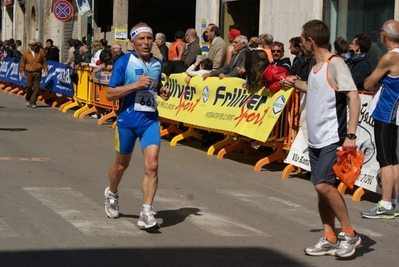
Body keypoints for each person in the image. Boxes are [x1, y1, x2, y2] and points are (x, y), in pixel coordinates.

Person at [284, 19, 361, 258]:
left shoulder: (335, 63)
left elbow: (354, 96)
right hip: (315, 139)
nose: (301, 44)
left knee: (323, 184)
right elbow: (316, 88)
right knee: (321, 189)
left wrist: (350, 135)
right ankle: (329, 237)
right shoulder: (315, 66)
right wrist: (296, 83)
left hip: (332, 138)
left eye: (302, 39)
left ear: (310, 40)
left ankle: (350, 234)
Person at [104, 22, 171, 229]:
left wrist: (162, 91)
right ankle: (112, 193)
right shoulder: (124, 62)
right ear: (133, 42)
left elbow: (154, 86)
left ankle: (145, 212)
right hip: (127, 121)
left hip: (150, 120)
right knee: (121, 165)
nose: (146, 43)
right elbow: (109, 93)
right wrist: (135, 85)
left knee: (152, 165)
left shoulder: (158, 64)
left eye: (149, 38)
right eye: (141, 39)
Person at [361, 19, 399, 219]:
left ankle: (385, 203)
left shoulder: (389, 57)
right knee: (392, 158)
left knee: (385, 159)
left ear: (384, 34)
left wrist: (373, 82)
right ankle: (394, 201)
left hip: (386, 111)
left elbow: (368, 83)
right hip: (394, 111)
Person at [20, 38, 49, 108]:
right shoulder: (26, 52)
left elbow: (44, 61)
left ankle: (33, 102)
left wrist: (45, 69)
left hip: (37, 72)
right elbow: (23, 62)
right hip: (29, 72)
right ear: (30, 45)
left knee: (36, 88)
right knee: (28, 86)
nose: (35, 46)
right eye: (33, 45)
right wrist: (22, 71)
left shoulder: (40, 51)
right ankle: (28, 98)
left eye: (36, 45)